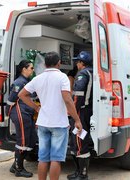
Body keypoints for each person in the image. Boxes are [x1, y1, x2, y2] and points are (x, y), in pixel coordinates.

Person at [18, 51, 83, 180]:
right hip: (59, 124)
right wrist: (77, 120)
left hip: (42, 123)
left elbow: (21, 94)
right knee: (56, 159)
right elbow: (68, 100)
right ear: (58, 63)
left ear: (46, 64)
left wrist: (36, 107)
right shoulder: (62, 77)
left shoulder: (38, 78)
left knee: (43, 158)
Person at [6, 59, 37, 178]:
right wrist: (8, 113)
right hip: (20, 113)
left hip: (27, 113)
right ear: (24, 69)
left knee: (31, 140)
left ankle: (15, 165)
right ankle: (19, 169)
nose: (33, 70)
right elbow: (11, 99)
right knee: (23, 141)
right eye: (31, 68)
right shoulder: (19, 82)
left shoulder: (27, 81)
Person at [67, 51, 93, 180]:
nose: (76, 64)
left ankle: (82, 174)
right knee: (79, 140)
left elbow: (78, 95)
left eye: (77, 61)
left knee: (79, 141)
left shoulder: (83, 73)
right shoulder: (92, 72)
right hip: (87, 111)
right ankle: (78, 172)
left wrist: (72, 111)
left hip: (80, 111)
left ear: (82, 63)